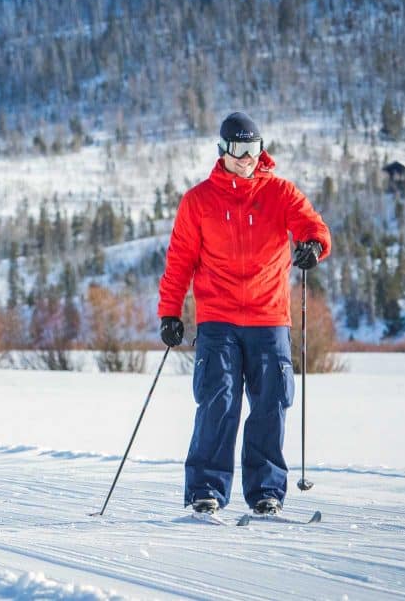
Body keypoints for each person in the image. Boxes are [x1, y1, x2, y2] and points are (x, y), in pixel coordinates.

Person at [156, 111, 330, 516]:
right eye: (239, 149)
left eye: (254, 149)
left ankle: (266, 491)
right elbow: (179, 261)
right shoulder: (198, 201)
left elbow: (314, 227)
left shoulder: (281, 193)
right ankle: (206, 490)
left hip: (270, 319)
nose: (247, 158)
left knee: (271, 403)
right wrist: (170, 314)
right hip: (218, 318)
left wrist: (313, 247)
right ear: (223, 151)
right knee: (219, 400)